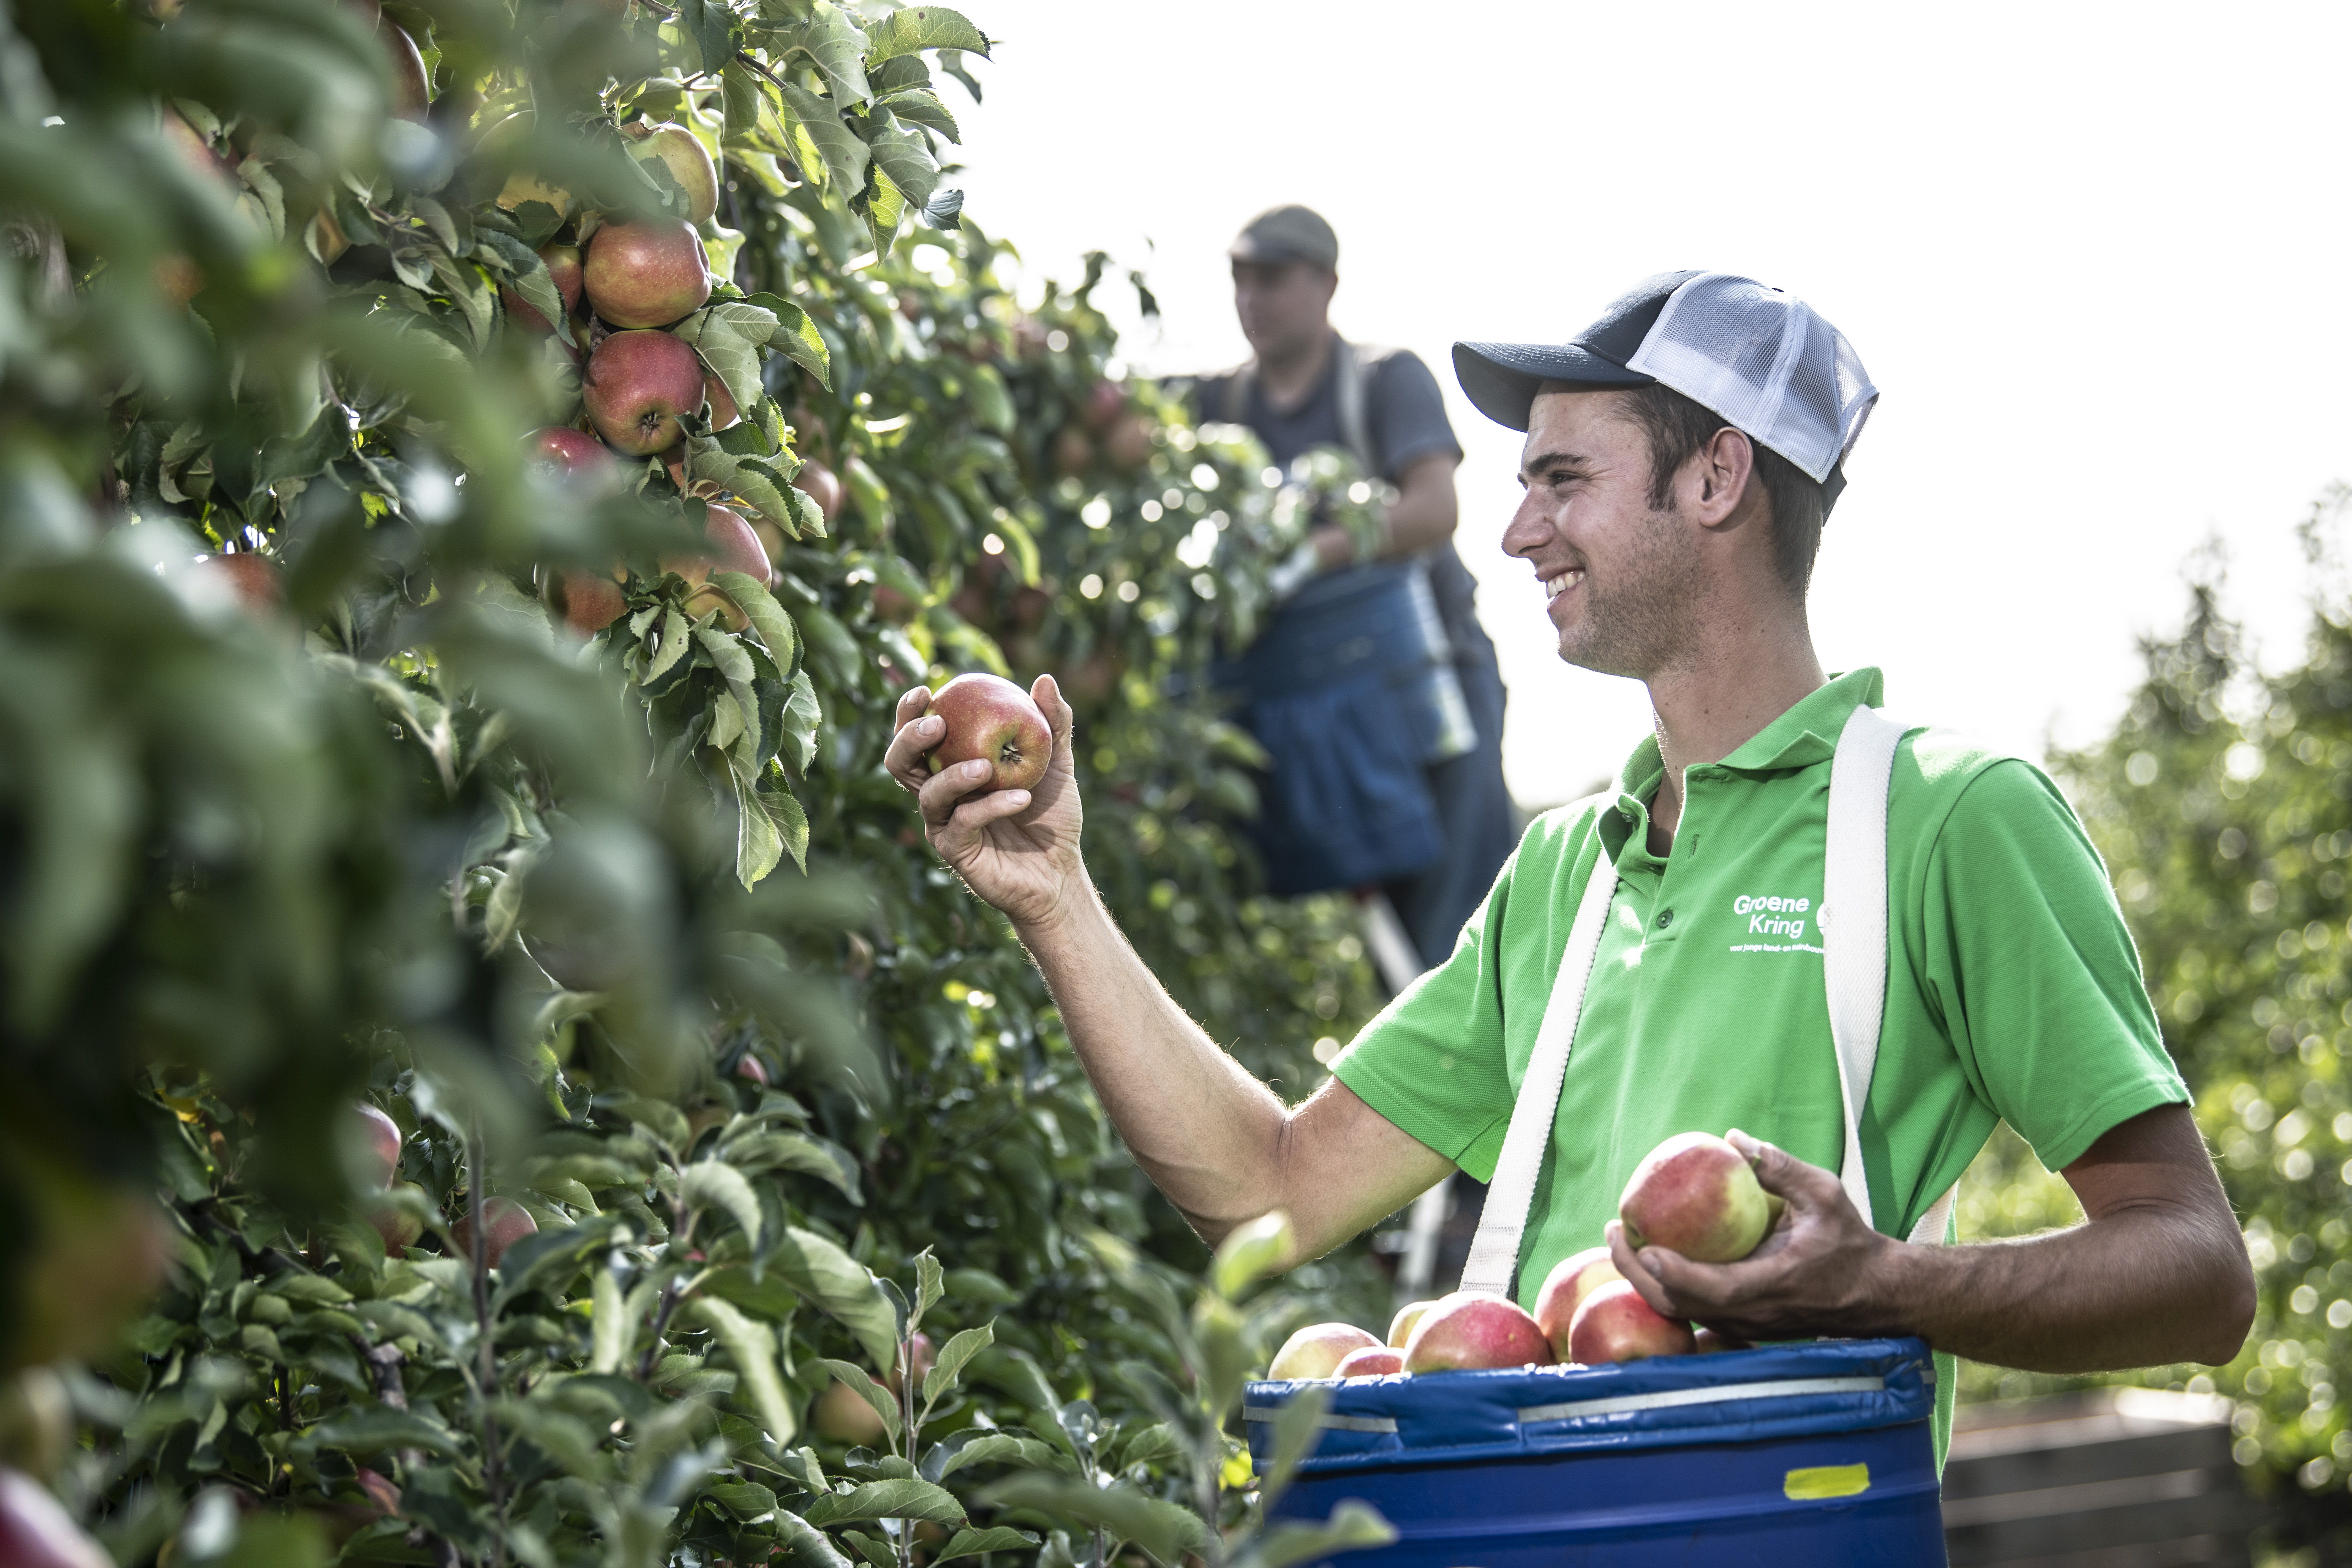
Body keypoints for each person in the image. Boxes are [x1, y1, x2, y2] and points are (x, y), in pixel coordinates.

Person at [886, 270, 2254, 1457]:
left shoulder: (1948, 820)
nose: (1512, 531)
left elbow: (2194, 1274)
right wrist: (1054, 895)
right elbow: (1268, 1191)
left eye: (1560, 479)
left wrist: (1877, 1281)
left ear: (1714, 478)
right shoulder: (1563, 875)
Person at [1183, 205, 1516, 974]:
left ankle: (1508, 1083)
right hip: (1319, 706)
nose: (1251, 300)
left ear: (1327, 283)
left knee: (1467, 914)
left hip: (1431, 689)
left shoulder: (1383, 380)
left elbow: (1434, 507)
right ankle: (1418, 1084)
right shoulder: (1221, 405)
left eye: (1271, 279)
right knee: (1388, 942)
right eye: (1240, 280)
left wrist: (1316, 556)